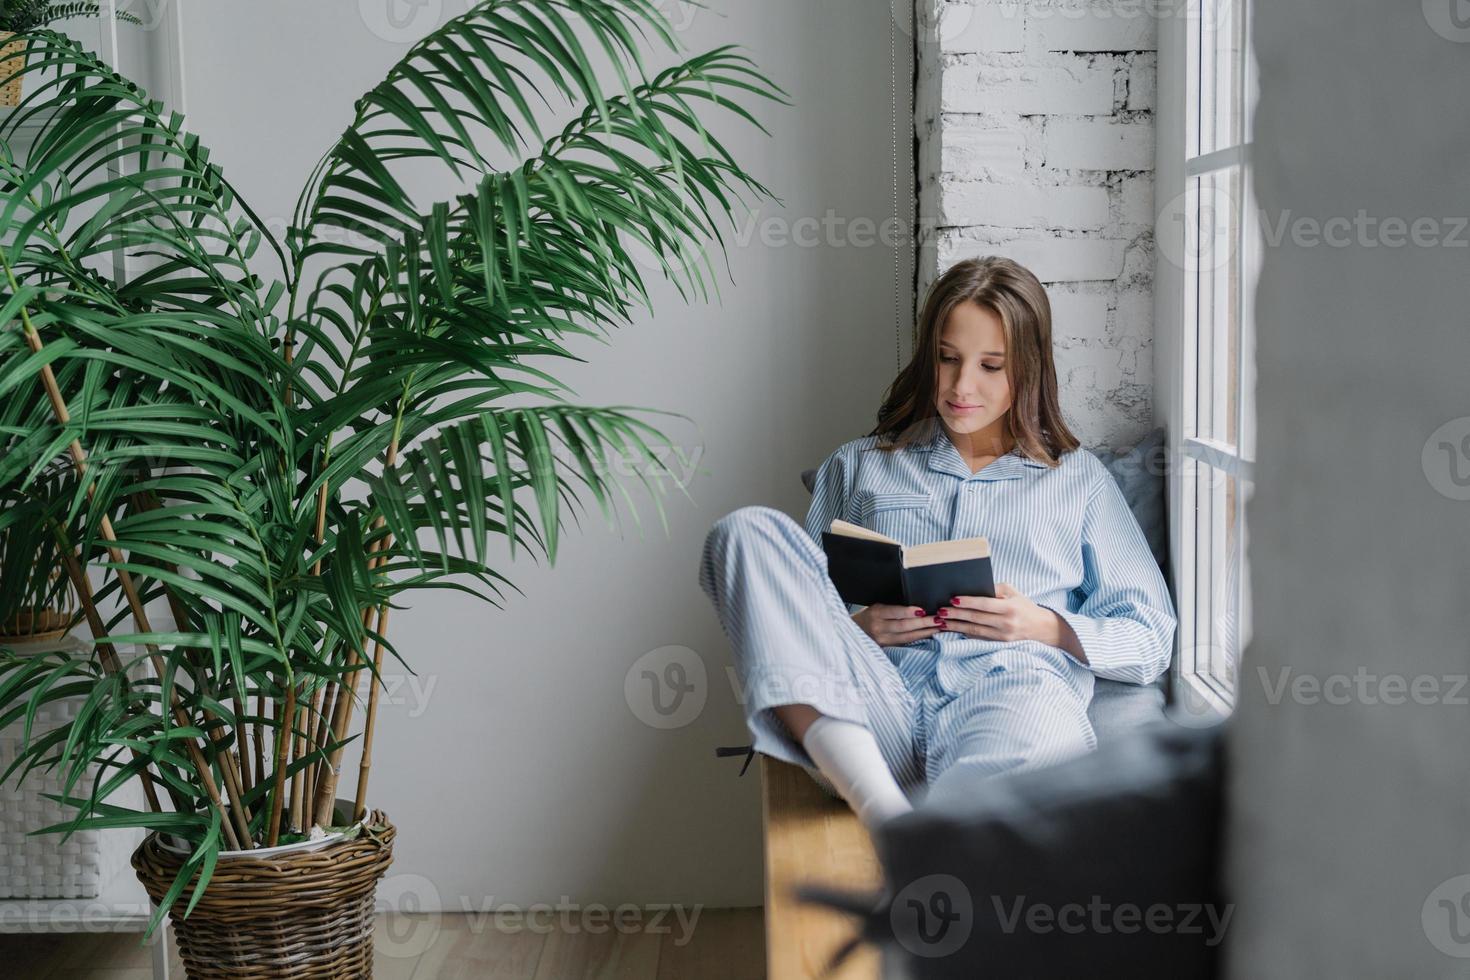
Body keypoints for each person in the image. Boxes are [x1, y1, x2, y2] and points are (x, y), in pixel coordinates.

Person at [698, 255, 1177, 831]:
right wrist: (858, 628)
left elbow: (1151, 639)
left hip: (1009, 698)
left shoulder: (1077, 481)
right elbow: (794, 614)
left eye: (990, 366)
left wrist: (1043, 625)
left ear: (1028, 369)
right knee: (744, 532)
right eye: (947, 359)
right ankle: (882, 807)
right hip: (873, 711)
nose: (959, 386)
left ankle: (933, 835)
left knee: (1034, 740)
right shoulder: (857, 467)